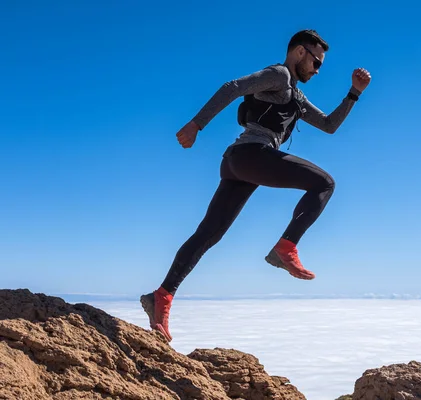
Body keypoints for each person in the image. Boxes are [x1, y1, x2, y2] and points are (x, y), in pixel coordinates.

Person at [140, 29, 371, 342]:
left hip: (239, 163)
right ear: (300, 52)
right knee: (324, 183)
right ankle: (285, 247)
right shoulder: (278, 75)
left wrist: (354, 93)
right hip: (251, 155)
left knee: (209, 233)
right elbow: (233, 87)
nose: (317, 70)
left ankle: (161, 296)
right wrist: (196, 125)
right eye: (316, 62)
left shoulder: (297, 96)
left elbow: (329, 126)